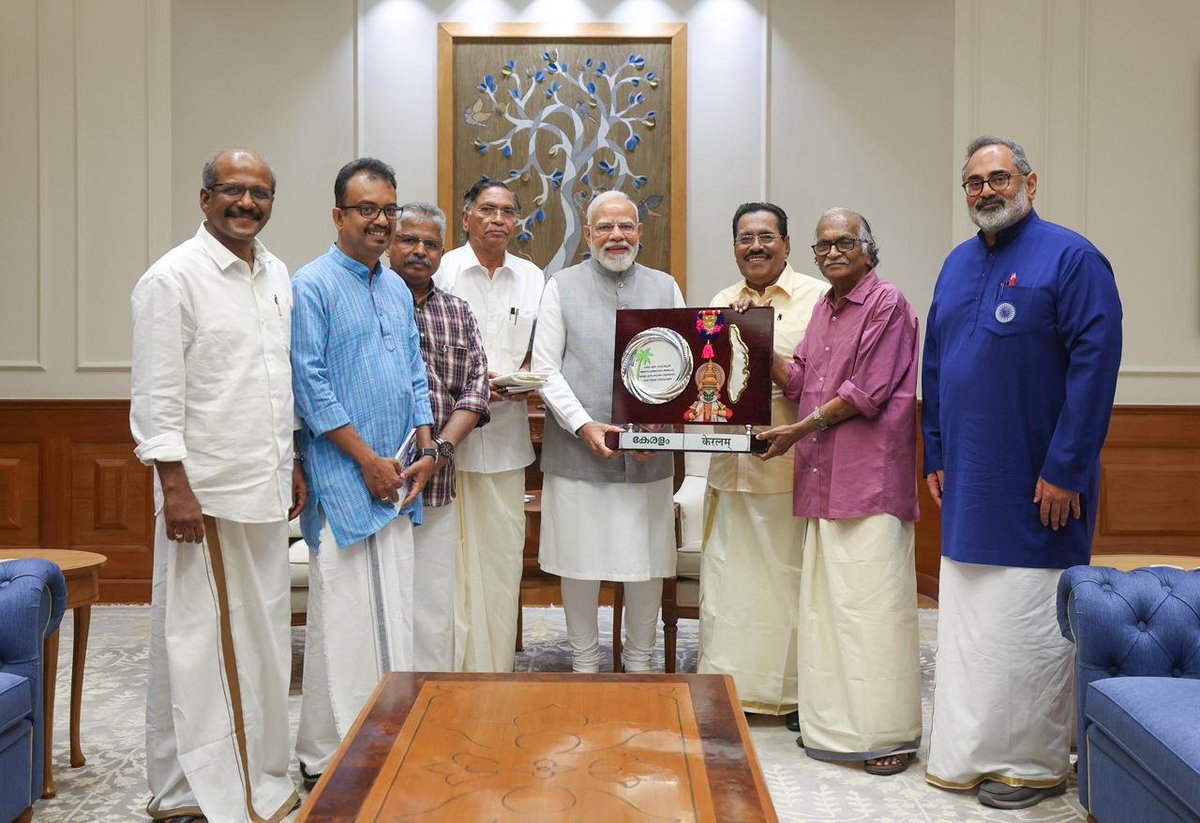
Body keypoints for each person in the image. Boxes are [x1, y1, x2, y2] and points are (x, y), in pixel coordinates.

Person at [922, 136, 1122, 809]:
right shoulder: (955, 265)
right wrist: (937, 452)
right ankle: (966, 752)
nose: (986, 191)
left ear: (1030, 184)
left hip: (1041, 488)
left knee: (1029, 628)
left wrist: (1066, 469)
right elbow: (935, 367)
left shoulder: (1073, 258)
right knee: (974, 630)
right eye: (973, 182)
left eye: (999, 178)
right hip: (968, 486)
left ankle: (1031, 763)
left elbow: (1094, 373)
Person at [132, 147, 302, 822]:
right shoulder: (172, 279)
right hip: (202, 496)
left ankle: (237, 774)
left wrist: (289, 462)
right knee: (201, 641)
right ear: (204, 199)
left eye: (259, 193)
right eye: (232, 190)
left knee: (257, 640)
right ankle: (209, 791)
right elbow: (156, 395)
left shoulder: (276, 273)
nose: (246, 203)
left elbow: (273, 382)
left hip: (262, 486)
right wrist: (175, 486)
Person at [759, 207, 922, 776]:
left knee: (870, 613)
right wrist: (750, 339)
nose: (831, 252)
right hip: (821, 478)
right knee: (827, 610)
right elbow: (800, 379)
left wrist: (798, 430)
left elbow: (866, 391)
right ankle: (832, 725)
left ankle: (886, 735)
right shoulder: (824, 311)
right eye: (822, 245)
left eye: (843, 242)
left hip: (869, 480)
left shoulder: (887, 304)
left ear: (868, 248)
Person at [290, 158, 437, 789]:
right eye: (367, 209)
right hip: (344, 473)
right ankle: (358, 755)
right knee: (348, 613)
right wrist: (366, 461)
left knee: (393, 607)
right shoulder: (312, 285)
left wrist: (428, 444)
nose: (381, 221)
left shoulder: (397, 287)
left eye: (389, 210)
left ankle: (335, 743)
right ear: (338, 216)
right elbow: (310, 385)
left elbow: (412, 372)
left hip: (402, 467)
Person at [532, 189, 685, 673]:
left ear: (640, 232)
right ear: (589, 234)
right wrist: (582, 425)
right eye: (604, 227)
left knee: (645, 563)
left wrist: (660, 424)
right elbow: (545, 368)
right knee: (579, 563)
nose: (615, 236)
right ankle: (584, 663)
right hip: (580, 453)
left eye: (625, 226)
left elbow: (682, 364)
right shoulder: (561, 285)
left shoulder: (666, 286)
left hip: (648, 454)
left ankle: (639, 664)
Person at [698, 202, 825, 723]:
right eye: (745, 238)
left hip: (792, 464)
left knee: (791, 585)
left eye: (766, 237)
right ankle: (731, 688)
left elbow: (819, 381)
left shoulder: (819, 299)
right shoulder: (719, 302)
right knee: (730, 582)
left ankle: (796, 695)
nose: (756, 246)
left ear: (787, 244)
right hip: (731, 469)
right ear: (733, 247)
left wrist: (757, 341)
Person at [436, 179, 544, 673]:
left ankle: (493, 668)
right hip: (447, 439)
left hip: (506, 439)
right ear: (466, 218)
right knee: (449, 561)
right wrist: (475, 387)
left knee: (500, 561)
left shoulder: (533, 278)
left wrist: (515, 381)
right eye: (487, 209)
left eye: (507, 211)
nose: (497, 219)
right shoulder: (440, 270)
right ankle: (447, 667)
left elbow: (540, 354)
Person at [388, 202, 490, 671]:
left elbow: (476, 389)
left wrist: (439, 452)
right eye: (409, 239)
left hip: (437, 482)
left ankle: (425, 699)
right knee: (381, 603)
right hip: (375, 478)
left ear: (443, 251)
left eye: (430, 243)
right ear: (390, 240)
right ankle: (378, 699)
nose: (419, 251)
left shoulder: (458, 311)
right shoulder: (373, 302)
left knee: (432, 604)